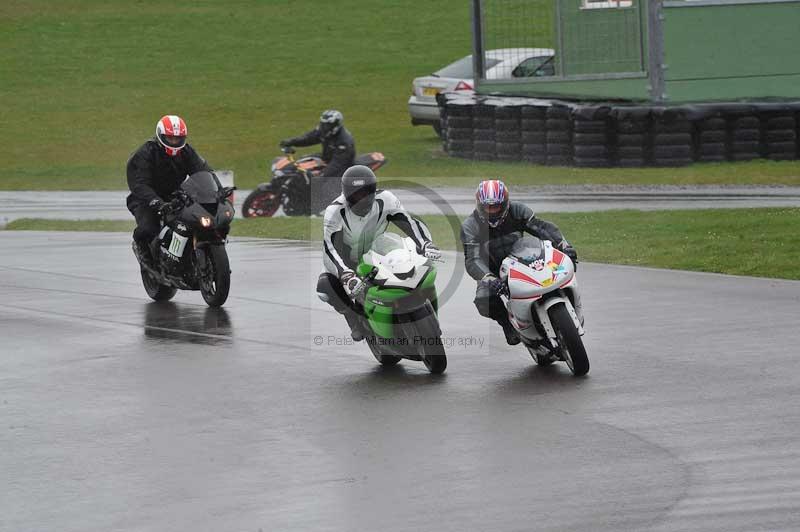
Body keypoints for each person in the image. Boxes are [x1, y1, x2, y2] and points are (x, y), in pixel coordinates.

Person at [316, 165, 441, 341]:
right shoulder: (335, 210)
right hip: (346, 262)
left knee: (417, 266)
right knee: (326, 284)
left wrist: (425, 243)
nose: (362, 199)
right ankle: (354, 320)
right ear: (346, 194)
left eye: (366, 193)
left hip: (378, 253)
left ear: (373, 190)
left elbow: (409, 222)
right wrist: (345, 274)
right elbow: (330, 247)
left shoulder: (386, 199)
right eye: (356, 195)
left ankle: (427, 311)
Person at [460, 179, 582, 345]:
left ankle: (570, 309)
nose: (492, 211)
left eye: (496, 206)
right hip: (493, 271)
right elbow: (472, 259)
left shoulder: (518, 210)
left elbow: (543, 229)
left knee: (558, 270)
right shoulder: (470, 226)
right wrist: (489, 278)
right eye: (488, 207)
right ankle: (507, 324)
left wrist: (564, 247)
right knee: (484, 299)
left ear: (505, 203)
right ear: (479, 205)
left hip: (522, 260)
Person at [126, 115, 213, 263]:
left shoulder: (187, 151)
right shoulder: (146, 153)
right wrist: (156, 202)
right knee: (148, 228)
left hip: (174, 196)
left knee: (197, 221)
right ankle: (142, 250)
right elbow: (139, 184)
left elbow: (204, 172)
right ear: (160, 136)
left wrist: (215, 190)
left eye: (178, 138)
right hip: (145, 198)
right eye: (170, 138)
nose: (174, 142)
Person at [280, 110, 355, 179]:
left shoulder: (344, 142)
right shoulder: (325, 131)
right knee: (299, 165)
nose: (324, 127)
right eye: (323, 124)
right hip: (326, 159)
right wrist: (291, 142)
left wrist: (321, 175)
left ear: (336, 125)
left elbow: (337, 164)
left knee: (316, 183)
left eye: (327, 125)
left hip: (342, 169)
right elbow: (309, 138)